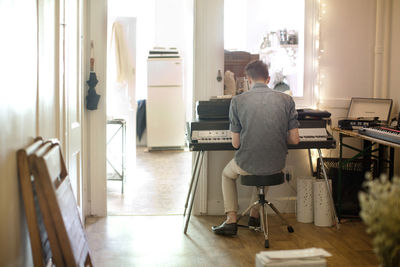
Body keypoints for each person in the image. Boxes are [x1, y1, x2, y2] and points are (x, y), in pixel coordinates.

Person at [212, 60, 300, 236]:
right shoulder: (287, 100)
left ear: (248, 80)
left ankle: (231, 219)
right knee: (267, 167)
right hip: (277, 165)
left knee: (227, 175)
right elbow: (295, 140)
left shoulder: (237, 101)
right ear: (268, 79)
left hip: (247, 163)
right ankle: (254, 215)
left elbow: (235, 144)